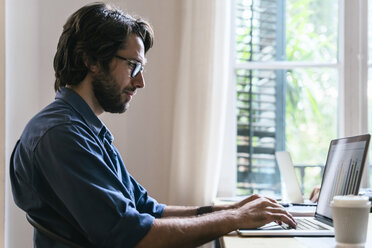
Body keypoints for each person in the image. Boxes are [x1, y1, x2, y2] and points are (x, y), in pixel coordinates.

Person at [9, 2, 296, 247]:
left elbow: (147, 209)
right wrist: (234, 219)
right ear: (92, 60)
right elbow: (132, 235)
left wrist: (231, 209)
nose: (140, 81)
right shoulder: (61, 135)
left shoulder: (83, 129)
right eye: (133, 66)